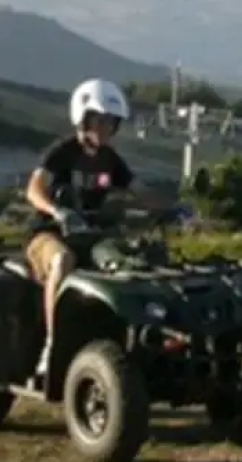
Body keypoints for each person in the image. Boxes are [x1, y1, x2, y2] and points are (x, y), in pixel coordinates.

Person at [22, 78, 167, 381]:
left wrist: (170, 208)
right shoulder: (62, 153)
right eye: (99, 121)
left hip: (90, 236)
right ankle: (53, 344)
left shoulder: (110, 160)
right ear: (83, 119)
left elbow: (139, 189)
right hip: (49, 235)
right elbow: (34, 190)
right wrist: (58, 212)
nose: (104, 128)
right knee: (63, 261)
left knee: (133, 262)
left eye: (110, 122)